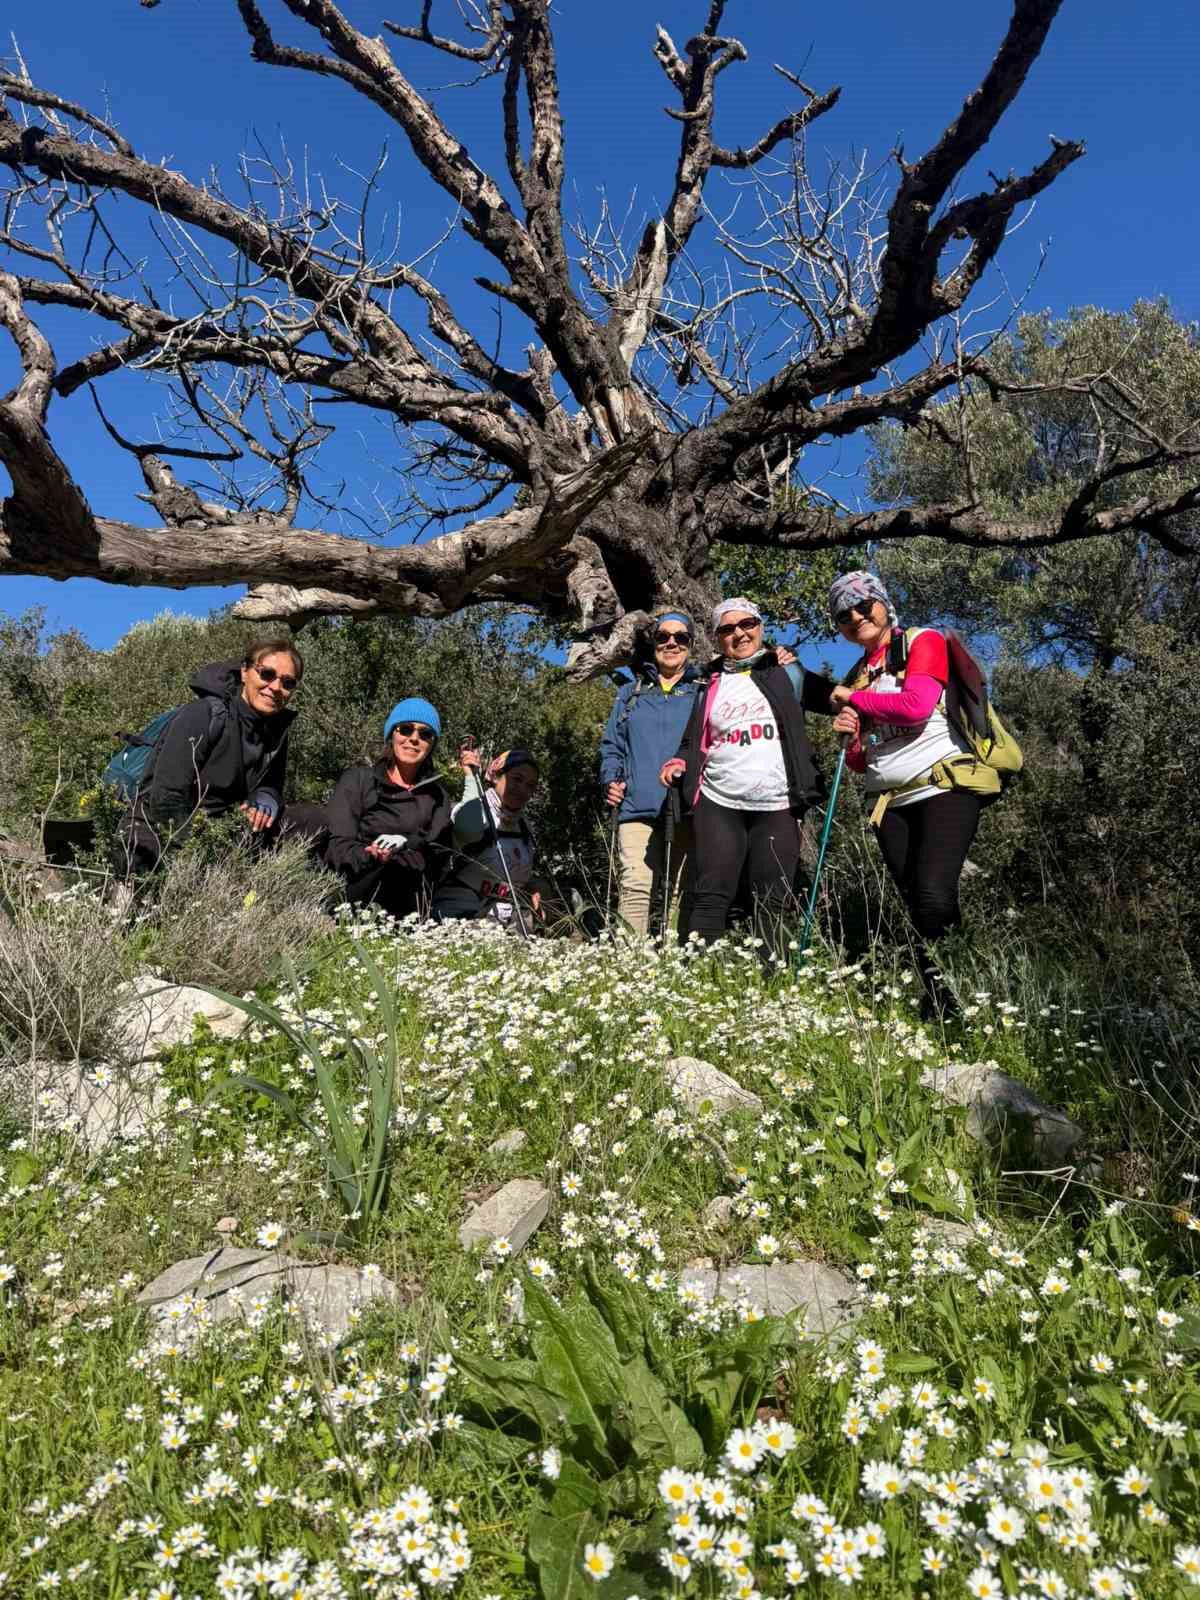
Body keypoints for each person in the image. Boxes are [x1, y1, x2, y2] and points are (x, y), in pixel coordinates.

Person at [826, 570, 982, 1020]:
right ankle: (942, 1002)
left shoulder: (922, 641)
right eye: (843, 615)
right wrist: (850, 736)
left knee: (934, 894)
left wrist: (855, 701)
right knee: (916, 901)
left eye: (864, 606)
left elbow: (916, 706)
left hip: (943, 785)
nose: (856, 618)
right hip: (888, 801)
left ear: (883, 604)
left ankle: (956, 1003)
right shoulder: (857, 674)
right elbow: (861, 761)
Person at [660, 598, 830, 961]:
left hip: (778, 801)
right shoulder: (709, 682)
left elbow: (834, 698)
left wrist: (866, 705)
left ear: (760, 627)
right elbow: (692, 739)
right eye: (727, 629)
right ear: (717, 638)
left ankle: (771, 981)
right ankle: (699, 975)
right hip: (719, 800)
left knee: (773, 897)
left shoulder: (786, 671)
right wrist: (678, 761)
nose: (739, 633)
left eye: (747, 624)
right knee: (711, 893)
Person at [128, 638, 303, 869]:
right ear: (244, 672)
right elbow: (166, 797)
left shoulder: (275, 731)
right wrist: (206, 851)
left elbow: (272, 784)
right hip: (160, 831)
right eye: (267, 674)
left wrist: (265, 800)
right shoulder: (204, 714)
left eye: (288, 682)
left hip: (225, 831)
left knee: (312, 820)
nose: (276, 687)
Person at [598, 610, 700, 938]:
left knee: (681, 893)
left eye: (680, 637)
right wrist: (611, 779)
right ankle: (632, 962)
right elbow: (612, 745)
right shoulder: (631, 693)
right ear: (653, 643)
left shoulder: (704, 691)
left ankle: (675, 961)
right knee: (635, 888)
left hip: (688, 807)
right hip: (636, 807)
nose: (671, 643)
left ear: (691, 644)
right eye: (662, 637)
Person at [323, 698, 451, 922]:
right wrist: (370, 855)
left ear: (432, 744)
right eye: (406, 729)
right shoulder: (358, 780)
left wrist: (405, 845)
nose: (414, 738)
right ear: (392, 734)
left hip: (410, 902)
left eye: (425, 734)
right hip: (357, 894)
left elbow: (437, 856)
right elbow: (338, 846)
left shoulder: (438, 796)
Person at [434, 746, 541, 926]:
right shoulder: (472, 810)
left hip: (506, 910)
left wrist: (533, 888)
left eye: (530, 785)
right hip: (461, 908)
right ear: (496, 776)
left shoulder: (524, 824)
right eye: (516, 779)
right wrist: (470, 776)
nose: (522, 789)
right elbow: (469, 827)